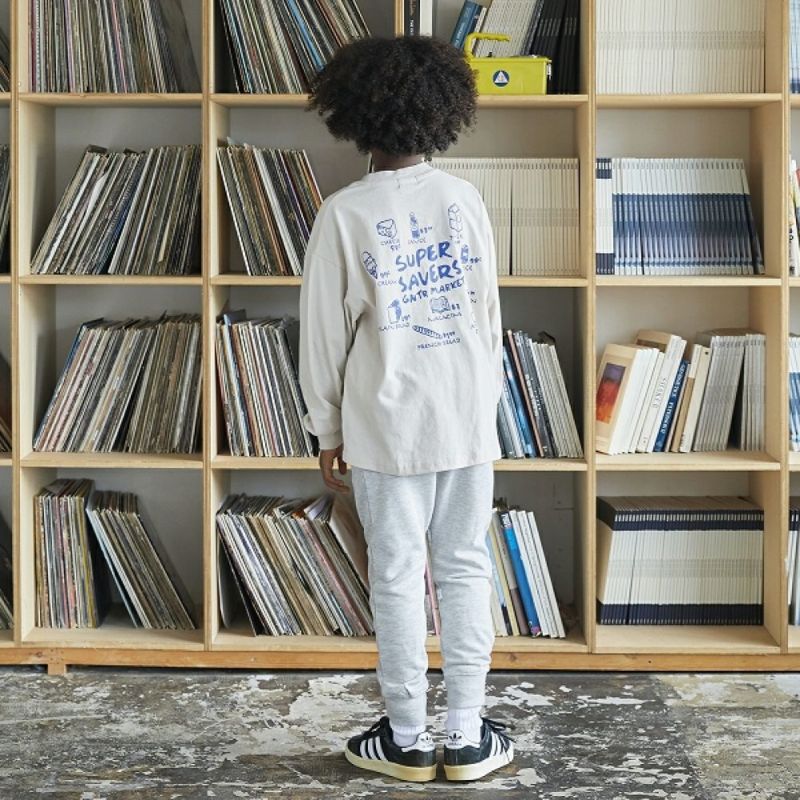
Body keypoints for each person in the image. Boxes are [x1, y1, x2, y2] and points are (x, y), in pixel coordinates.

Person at [298, 34, 514, 783]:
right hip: (465, 417)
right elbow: (488, 314)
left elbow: (323, 338)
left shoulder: (343, 214)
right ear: (443, 113)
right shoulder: (465, 200)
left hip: (385, 425)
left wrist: (326, 428)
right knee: (465, 566)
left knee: (394, 573)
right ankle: (467, 737)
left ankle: (408, 738)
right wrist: (486, 405)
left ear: (354, 117)